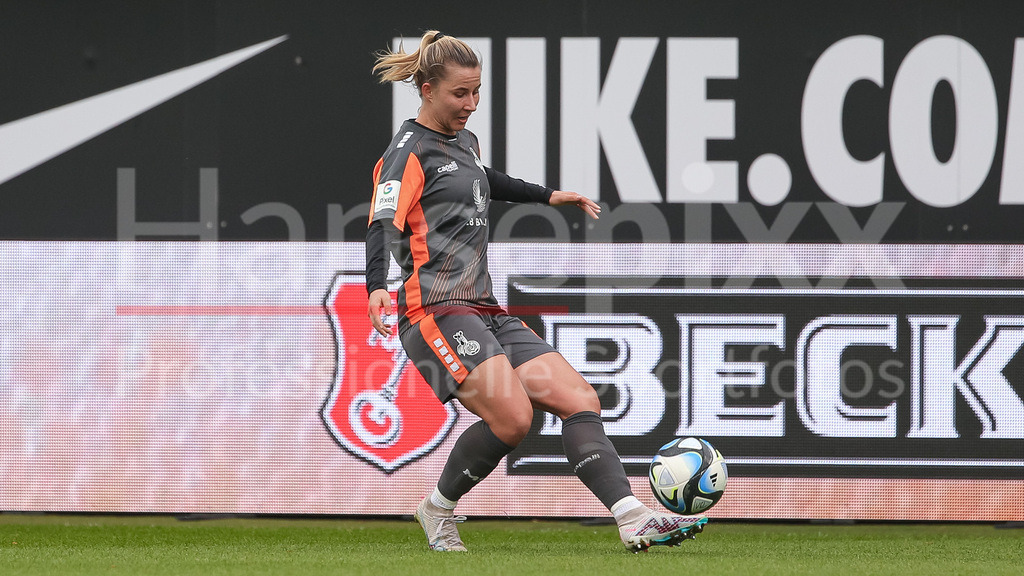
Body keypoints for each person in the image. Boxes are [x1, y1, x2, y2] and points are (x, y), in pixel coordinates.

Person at [365, 30, 708, 553]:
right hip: (432, 309)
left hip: (482, 307)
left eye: (477, 92)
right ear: (427, 88)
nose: (471, 104)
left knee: (578, 399)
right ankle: (437, 510)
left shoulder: (463, 143)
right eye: (460, 94)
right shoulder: (407, 151)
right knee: (513, 418)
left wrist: (548, 195)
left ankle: (633, 517)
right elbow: (381, 222)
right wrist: (375, 288)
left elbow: (482, 177)